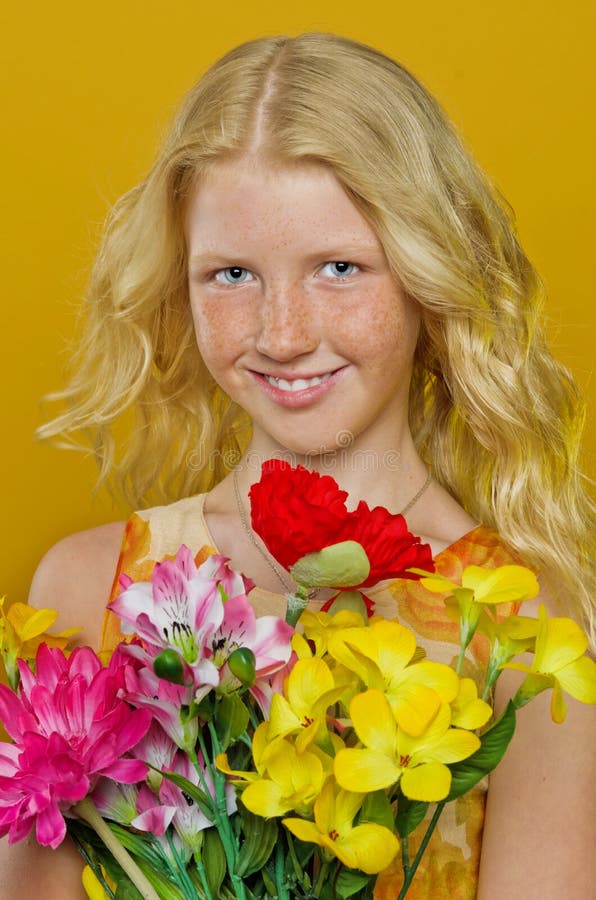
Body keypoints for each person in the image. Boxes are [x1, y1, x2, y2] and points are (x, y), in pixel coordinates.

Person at [2, 32, 594, 899]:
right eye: (232, 273)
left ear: (433, 273)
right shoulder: (90, 589)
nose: (282, 333)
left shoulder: (524, 628)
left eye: (340, 268)